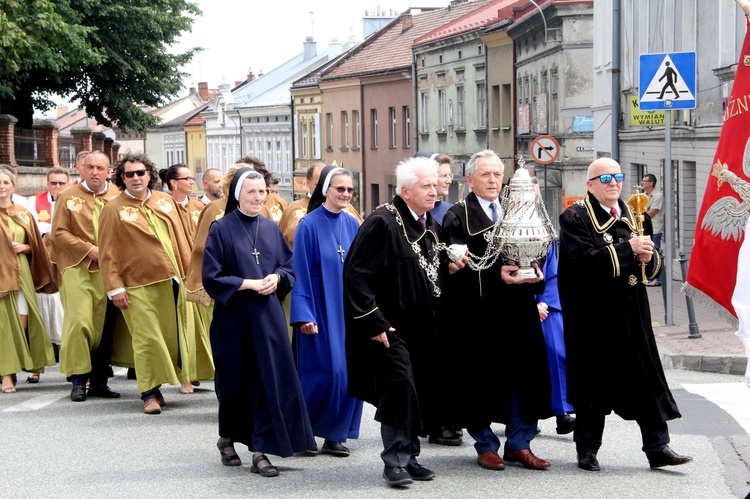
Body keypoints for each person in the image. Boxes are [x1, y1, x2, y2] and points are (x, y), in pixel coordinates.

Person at [558, 157, 692, 472]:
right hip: (593, 316)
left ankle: (658, 448)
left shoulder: (634, 214)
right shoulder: (575, 218)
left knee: (647, 378)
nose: (614, 183)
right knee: (593, 383)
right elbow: (583, 263)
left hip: (632, 312)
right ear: (590, 185)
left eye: (617, 177)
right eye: (605, 178)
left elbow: (649, 264)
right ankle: (587, 449)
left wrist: (649, 255)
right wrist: (629, 250)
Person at [344, 157, 453, 487]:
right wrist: (373, 322)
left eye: (436, 185)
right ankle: (394, 460)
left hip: (424, 327)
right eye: (426, 186)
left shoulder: (428, 223)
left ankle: (412, 456)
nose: (434, 191)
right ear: (405, 190)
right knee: (399, 387)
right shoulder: (382, 222)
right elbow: (356, 275)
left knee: (418, 389)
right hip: (390, 327)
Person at [441, 150, 553, 472]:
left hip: (518, 309)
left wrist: (534, 270)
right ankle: (486, 444)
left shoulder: (514, 209)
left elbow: (530, 249)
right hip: (479, 314)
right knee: (479, 381)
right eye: (486, 175)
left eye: (497, 175)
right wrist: (495, 275)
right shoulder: (458, 216)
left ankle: (520, 443)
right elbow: (454, 268)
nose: (493, 180)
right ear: (470, 179)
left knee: (526, 377)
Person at [202, 168, 315, 476]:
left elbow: (288, 265)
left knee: (268, 380)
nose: (258, 197)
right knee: (235, 383)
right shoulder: (221, 228)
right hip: (234, 321)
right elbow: (211, 277)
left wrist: (276, 277)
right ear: (237, 194)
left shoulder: (270, 228)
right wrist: (249, 284)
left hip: (268, 318)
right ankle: (226, 437)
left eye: (262, 191)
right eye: (251, 191)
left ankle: (260, 451)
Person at [99, 153, 192, 414]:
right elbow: (107, 251)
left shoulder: (165, 201)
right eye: (129, 174)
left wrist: (189, 274)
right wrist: (114, 287)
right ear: (121, 178)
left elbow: (182, 238)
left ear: (150, 174)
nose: (136, 178)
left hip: (171, 280)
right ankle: (148, 393)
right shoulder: (113, 208)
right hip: (135, 285)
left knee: (168, 338)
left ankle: (159, 385)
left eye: (140, 172)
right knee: (145, 338)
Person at [291, 166, 364, 457]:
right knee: (323, 373)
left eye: (349, 190)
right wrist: (304, 313)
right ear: (325, 190)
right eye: (340, 189)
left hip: (348, 310)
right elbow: (301, 272)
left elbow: (361, 270)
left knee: (349, 373)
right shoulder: (308, 225)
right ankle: (303, 430)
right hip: (320, 309)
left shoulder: (353, 224)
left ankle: (335, 434)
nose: (346, 194)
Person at [52, 151, 122, 402]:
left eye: (100, 168)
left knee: (104, 325)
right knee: (80, 322)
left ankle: (100, 382)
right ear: (81, 169)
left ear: (108, 171)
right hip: (77, 266)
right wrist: (87, 249)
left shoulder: (117, 196)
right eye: (90, 167)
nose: (95, 172)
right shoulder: (68, 196)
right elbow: (57, 233)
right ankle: (79, 379)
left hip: (109, 269)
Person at [0, 165, 56, 394]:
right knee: (3, 326)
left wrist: (24, 246)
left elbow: (38, 245)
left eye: (5, 182)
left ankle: (16, 366)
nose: (1, 187)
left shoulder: (23, 213)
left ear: (13, 186)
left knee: (20, 325)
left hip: (21, 274)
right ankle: (8, 374)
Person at [158, 164, 213, 394]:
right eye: (187, 178)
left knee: (202, 322)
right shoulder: (163, 206)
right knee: (183, 324)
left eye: (193, 178)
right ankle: (185, 376)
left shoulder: (199, 207)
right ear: (173, 183)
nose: (192, 181)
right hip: (176, 274)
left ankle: (198, 369)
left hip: (198, 272)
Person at [535, 241, 575, 435]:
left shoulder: (545, 235)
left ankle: (562, 412)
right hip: (517, 304)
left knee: (557, 353)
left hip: (547, 304)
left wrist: (544, 302)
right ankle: (525, 417)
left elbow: (552, 273)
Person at [29, 167, 68, 357]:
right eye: (54, 183)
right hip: (45, 258)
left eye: (62, 183)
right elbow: (33, 229)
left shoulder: (73, 200)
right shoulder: (33, 202)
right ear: (47, 184)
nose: (58, 187)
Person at [641, 173, 664, 286]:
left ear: (651, 183)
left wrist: (639, 216)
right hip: (644, 229)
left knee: (654, 253)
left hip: (654, 229)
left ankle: (657, 278)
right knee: (646, 253)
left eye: (644, 181)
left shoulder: (657, 196)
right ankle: (649, 276)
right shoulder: (643, 195)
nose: (642, 183)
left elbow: (651, 213)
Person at [430, 154, 454, 225]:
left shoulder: (452, 210)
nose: (449, 181)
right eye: (444, 176)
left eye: (450, 175)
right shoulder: (418, 212)